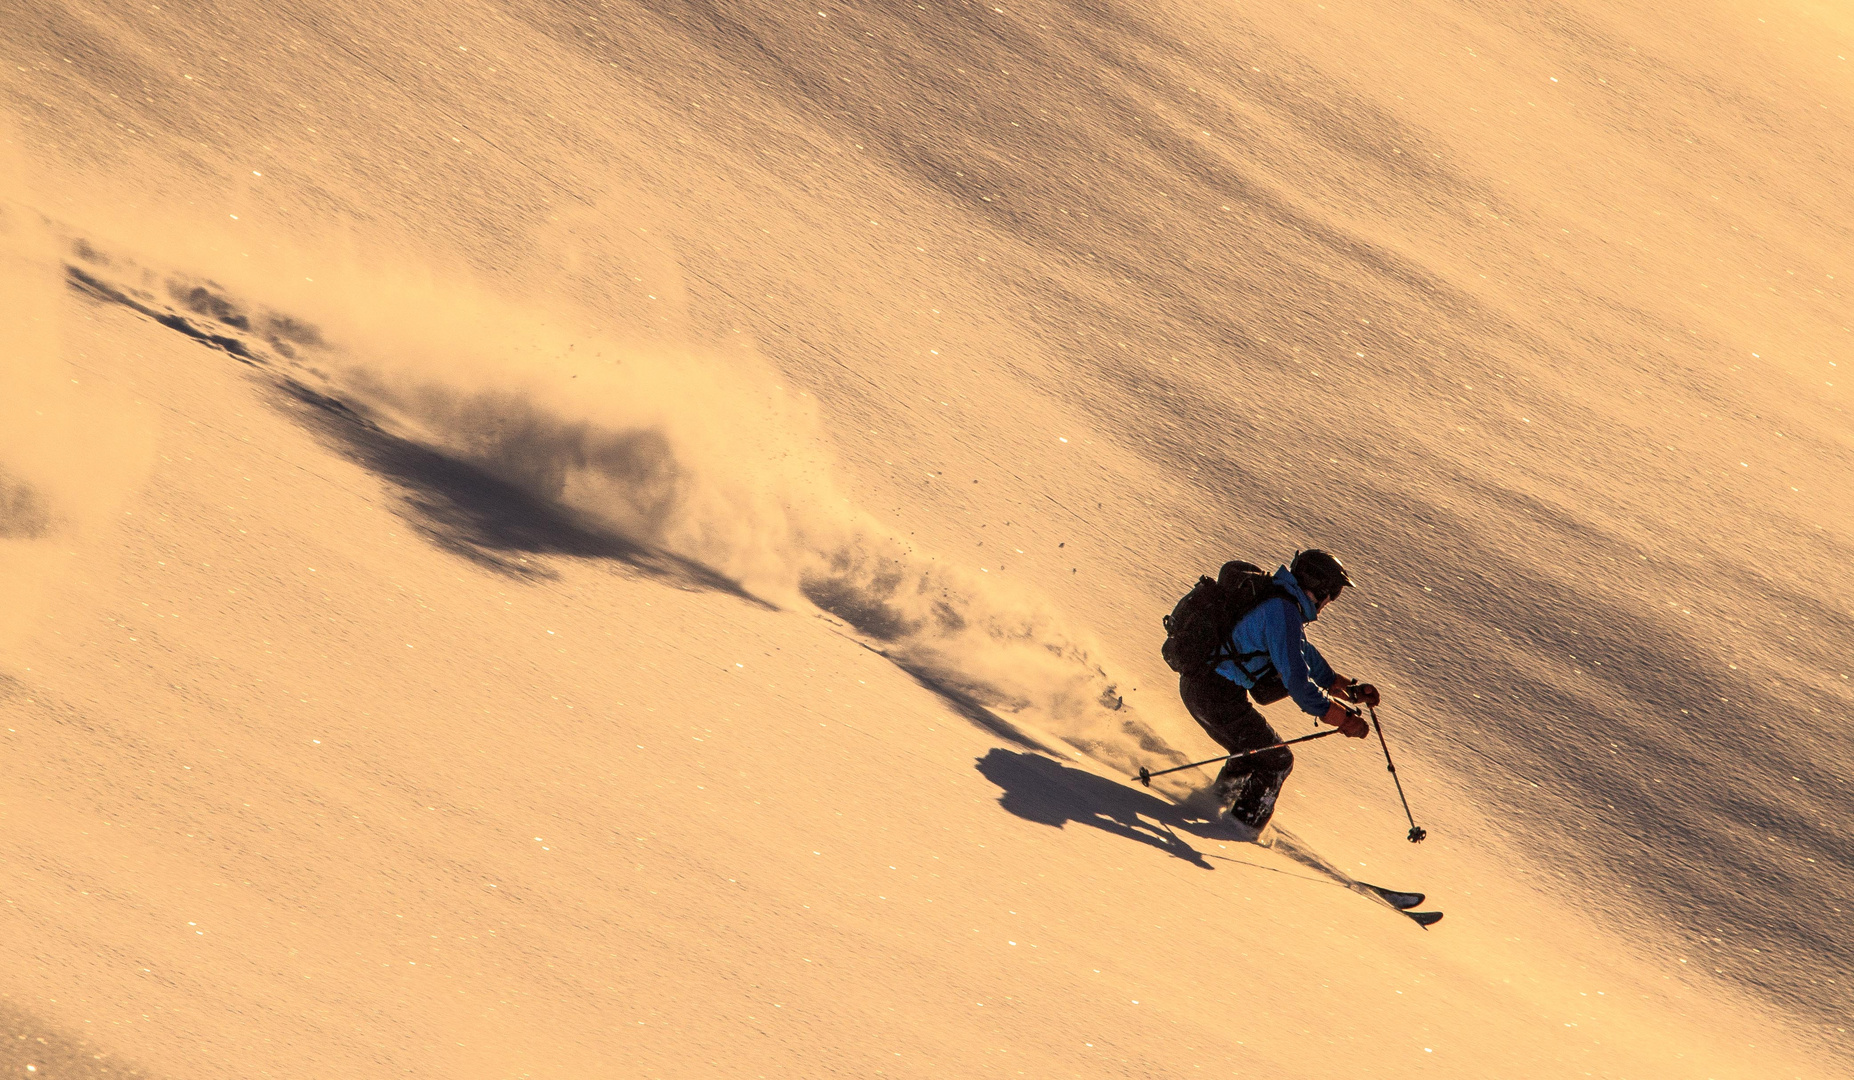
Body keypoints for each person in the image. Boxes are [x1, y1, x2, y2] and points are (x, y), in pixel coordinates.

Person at [1177, 549, 1380, 829]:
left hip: (1207, 687)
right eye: (1332, 596)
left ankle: (1211, 805)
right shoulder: (1283, 612)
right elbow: (1298, 683)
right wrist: (1340, 718)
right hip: (1214, 694)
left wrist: (1345, 688)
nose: (1328, 604)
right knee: (1277, 760)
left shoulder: (1280, 602)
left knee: (1250, 755)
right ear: (1319, 590)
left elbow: (1302, 651)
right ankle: (1240, 829)